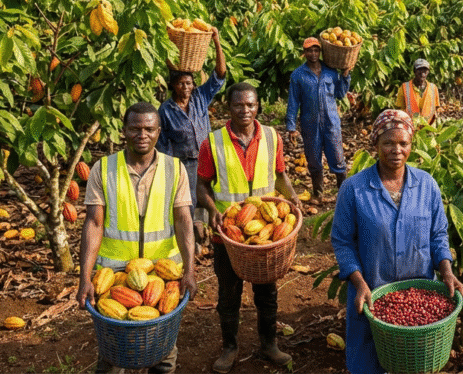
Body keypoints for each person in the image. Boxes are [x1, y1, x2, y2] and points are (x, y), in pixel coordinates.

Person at [331, 110, 463, 374]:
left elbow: (438, 235)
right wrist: (359, 283)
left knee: (415, 363)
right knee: (367, 364)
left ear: (411, 145)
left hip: (418, 293)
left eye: (403, 143)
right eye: (388, 143)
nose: (396, 150)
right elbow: (343, 242)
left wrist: (447, 272)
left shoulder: (427, 185)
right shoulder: (354, 188)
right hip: (371, 294)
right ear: (375, 146)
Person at [77, 102, 197, 374]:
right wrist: (85, 276)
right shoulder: (104, 169)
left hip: (162, 273)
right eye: (135, 128)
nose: (142, 134)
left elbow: (184, 220)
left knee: (164, 353)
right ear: (124, 131)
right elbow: (94, 223)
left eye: (149, 129)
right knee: (113, 353)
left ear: (158, 132)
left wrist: (189, 269)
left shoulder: (174, 169)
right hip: (114, 275)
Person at [197, 82, 303, 373]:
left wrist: (292, 197)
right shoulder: (212, 143)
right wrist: (212, 211)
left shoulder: (271, 137)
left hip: (264, 233)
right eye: (238, 105)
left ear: (258, 107)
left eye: (251, 105)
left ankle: (269, 344)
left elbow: (280, 175)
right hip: (228, 234)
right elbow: (202, 186)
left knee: (266, 292)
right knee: (228, 294)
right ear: (227, 108)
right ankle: (230, 347)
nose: (245, 110)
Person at [157, 26, 226, 252]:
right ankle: (190, 244)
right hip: (183, 163)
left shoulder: (199, 98)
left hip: (206, 158)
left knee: (211, 198)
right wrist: (168, 170)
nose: (185, 88)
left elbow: (220, 75)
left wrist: (216, 41)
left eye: (189, 83)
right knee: (186, 202)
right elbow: (163, 145)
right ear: (172, 86)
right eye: (180, 83)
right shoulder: (165, 111)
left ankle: (214, 238)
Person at [286, 37, 351, 201]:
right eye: (309, 50)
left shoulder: (330, 71)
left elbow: (340, 93)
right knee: (313, 159)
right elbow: (293, 102)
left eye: (316, 50)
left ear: (320, 51)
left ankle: (343, 194)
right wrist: (291, 126)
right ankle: (318, 194)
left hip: (331, 122)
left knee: (337, 157)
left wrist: (345, 75)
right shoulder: (298, 75)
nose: (313, 53)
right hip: (310, 124)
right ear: (304, 53)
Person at [395, 58, 439, 125]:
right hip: (410, 127)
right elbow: (399, 109)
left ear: (428, 72)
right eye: (419, 70)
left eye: (425, 70)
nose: (422, 73)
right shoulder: (404, 87)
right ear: (414, 71)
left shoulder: (433, 88)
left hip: (429, 128)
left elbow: (436, 108)